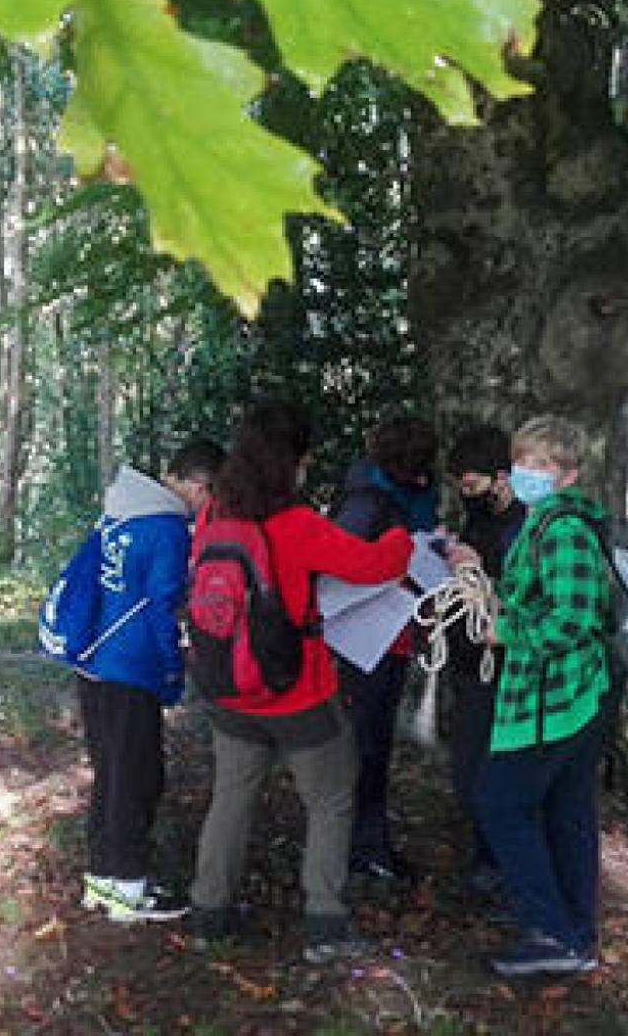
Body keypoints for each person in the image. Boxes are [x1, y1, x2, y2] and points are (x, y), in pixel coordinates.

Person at [186, 401, 414, 964]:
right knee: (332, 797)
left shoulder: (213, 514)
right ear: (295, 462)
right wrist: (405, 539)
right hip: (297, 693)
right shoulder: (299, 524)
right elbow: (373, 566)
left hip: (227, 687)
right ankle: (325, 923)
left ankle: (209, 911)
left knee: (232, 795)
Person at [476, 414, 612, 976]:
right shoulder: (541, 524)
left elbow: (573, 620)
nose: (527, 472)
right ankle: (574, 934)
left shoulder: (564, 530)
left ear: (569, 475)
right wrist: (482, 580)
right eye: (523, 460)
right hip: (561, 699)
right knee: (566, 811)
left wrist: (504, 631)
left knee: (500, 803)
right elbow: (531, 594)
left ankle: (553, 933)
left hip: (556, 699)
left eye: (543, 464)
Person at [76, 437, 225, 923]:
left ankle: (102, 877)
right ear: (198, 485)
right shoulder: (166, 527)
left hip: (94, 660)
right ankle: (129, 889)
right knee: (138, 776)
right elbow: (162, 608)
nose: (209, 508)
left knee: (111, 772)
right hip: (131, 666)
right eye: (211, 496)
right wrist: (171, 670)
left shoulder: (121, 511)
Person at [331, 413, 439, 883]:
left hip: (397, 632)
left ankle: (371, 844)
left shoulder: (417, 487)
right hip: (364, 639)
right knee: (363, 745)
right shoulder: (364, 498)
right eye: (412, 468)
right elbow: (341, 568)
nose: (421, 477)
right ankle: (359, 849)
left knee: (377, 743)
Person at [440, 422, 530, 893]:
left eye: (472, 483)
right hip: (468, 659)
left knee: (494, 764)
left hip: (505, 663)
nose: (465, 492)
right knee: (469, 762)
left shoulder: (528, 524)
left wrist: (479, 570)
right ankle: (485, 855)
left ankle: (501, 865)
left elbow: (525, 595)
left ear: (500, 476)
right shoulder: (480, 516)